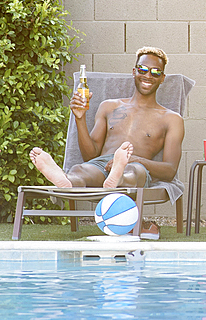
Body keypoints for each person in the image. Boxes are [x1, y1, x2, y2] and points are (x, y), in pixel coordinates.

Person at [29, 46, 185, 237]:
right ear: (135, 71)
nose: (148, 76)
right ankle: (67, 181)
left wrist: (136, 159)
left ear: (162, 78)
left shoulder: (171, 119)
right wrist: (80, 118)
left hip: (136, 166)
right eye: (143, 70)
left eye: (155, 72)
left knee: (131, 171)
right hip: (102, 164)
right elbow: (91, 154)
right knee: (81, 169)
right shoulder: (109, 106)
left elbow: (170, 170)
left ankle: (118, 177)